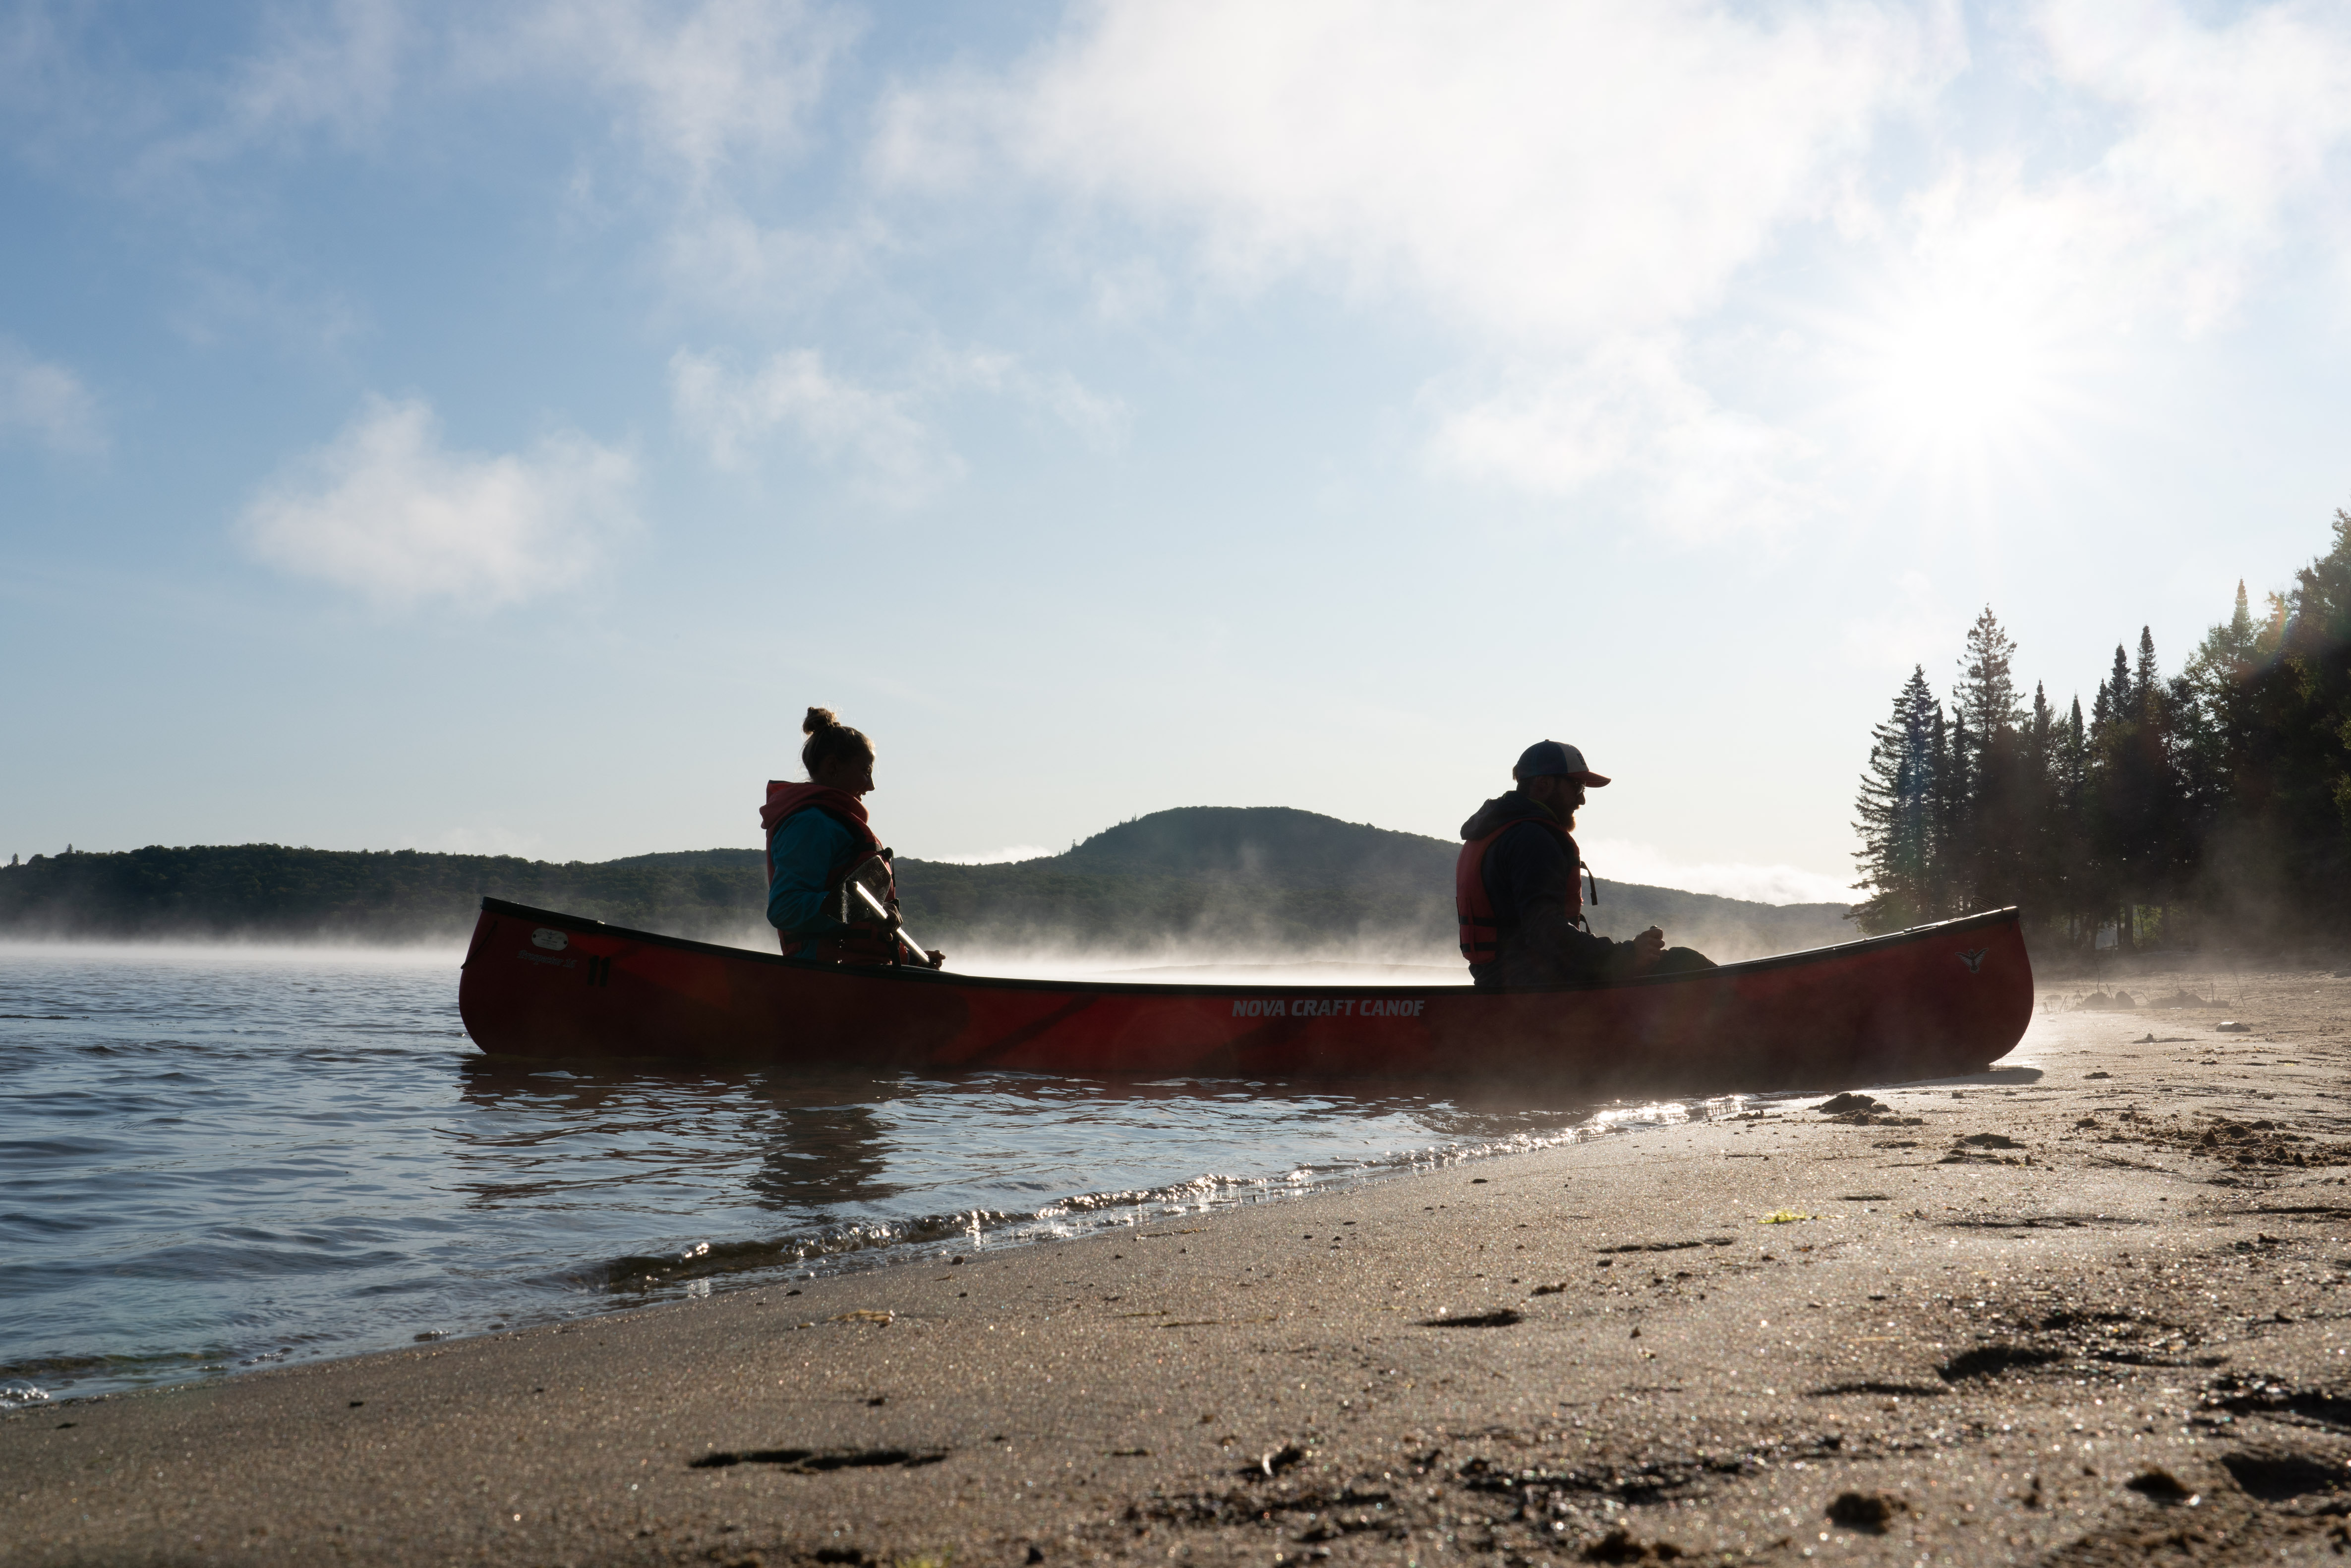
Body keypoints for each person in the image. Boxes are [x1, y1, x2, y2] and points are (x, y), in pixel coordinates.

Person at [1456, 740, 1714, 990]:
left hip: (1501, 980)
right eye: (1577, 787)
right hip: (1533, 987)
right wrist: (1627, 954)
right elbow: (1545, 933)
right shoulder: (1532, 839)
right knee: (1683, 961)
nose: (1582, 801)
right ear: (1544, 784)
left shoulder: (1498, 830)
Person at [760, 707, 944, 968]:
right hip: (826, 980)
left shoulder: (834, 824)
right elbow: (785, 908)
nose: (871, 786)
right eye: (865, 771)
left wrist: (910, 958)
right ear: (833, 767)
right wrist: (864, 909)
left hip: (860, 975)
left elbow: (863, 922)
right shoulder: (811, 824)